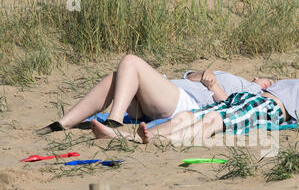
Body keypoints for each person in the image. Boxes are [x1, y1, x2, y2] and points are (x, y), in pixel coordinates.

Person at [90, 69, 299, 144]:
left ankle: (163, 143)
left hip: (272, 110)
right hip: (252, 97)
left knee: (211, 121)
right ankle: (129, 137)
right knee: (189, 114)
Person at [34, 54, 274, 135]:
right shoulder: (229, 73)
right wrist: (204, 73)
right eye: (266, 77)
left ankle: (114, 120)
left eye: (271, 82)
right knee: (116, 78)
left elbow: (232, 109)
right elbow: (188, 75)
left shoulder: (249, 89)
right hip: (170, 89)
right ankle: (63, 123)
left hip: (184, 103)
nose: (266, 80)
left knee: (130, 61)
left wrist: (215, 88)